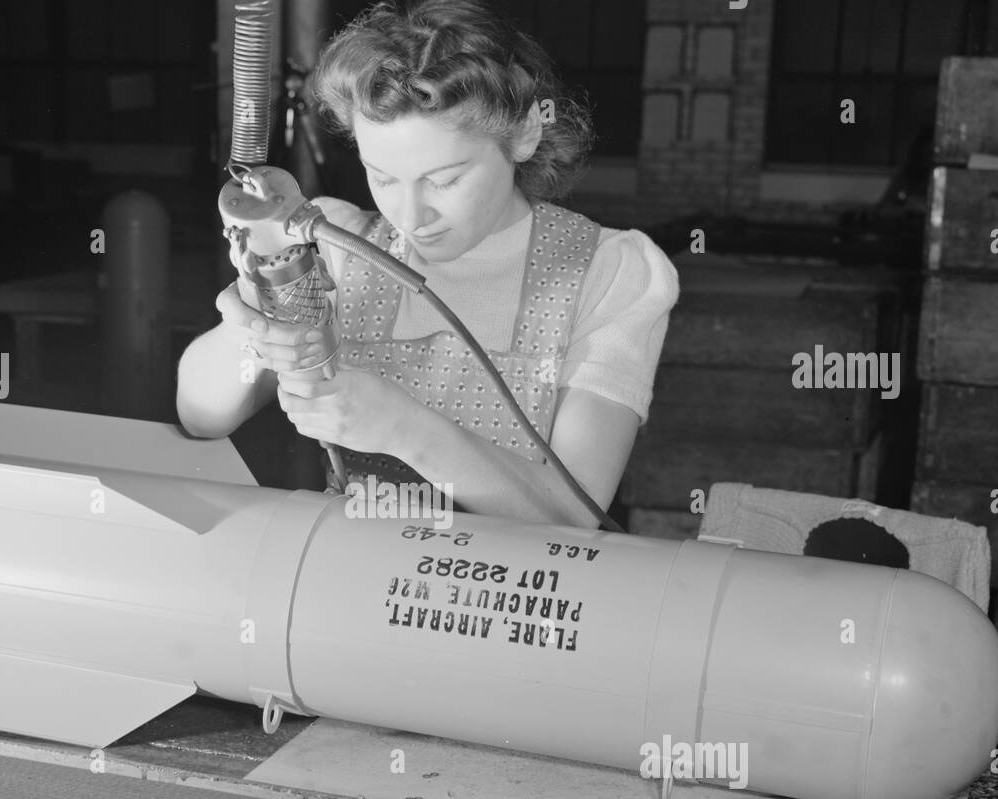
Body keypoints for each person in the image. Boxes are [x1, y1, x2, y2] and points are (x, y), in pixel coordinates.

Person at [177, 0, 679, 529]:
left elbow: (573, 513)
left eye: (444, 180)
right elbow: (200, 418)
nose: (411, 216)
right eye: (384, 177)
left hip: (512, 605)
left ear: (526, 132)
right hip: (348, 585)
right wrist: (250, 331)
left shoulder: (607, 272)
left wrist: (403, 428)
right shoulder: (339, 245)